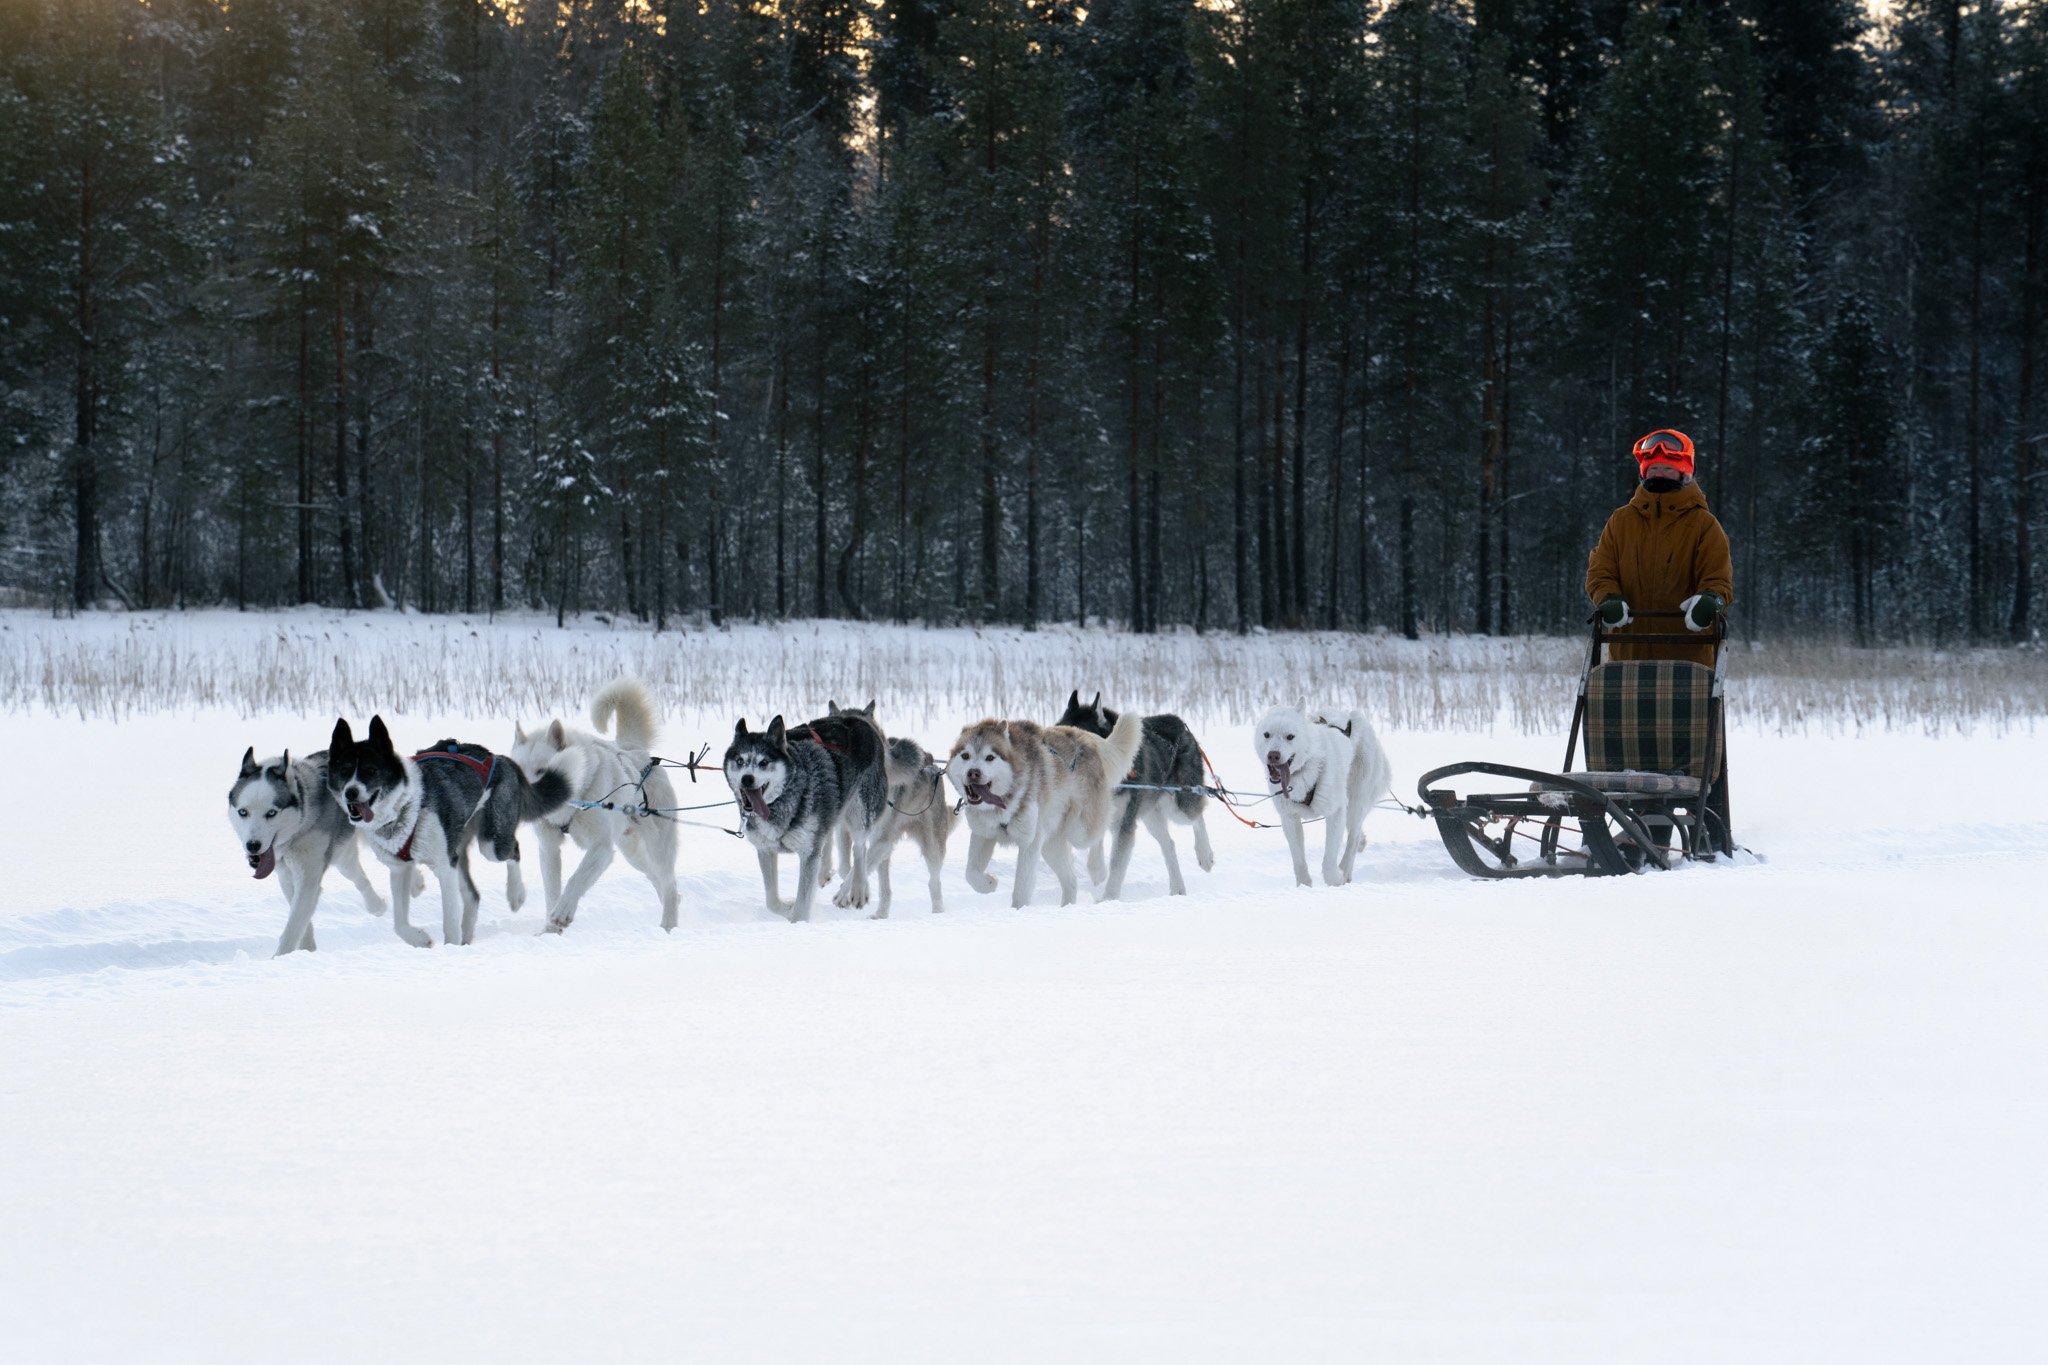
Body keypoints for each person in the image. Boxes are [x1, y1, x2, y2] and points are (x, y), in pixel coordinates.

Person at [1584, 427, 1735, 850]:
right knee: (1629, 739)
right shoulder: (1621, 521)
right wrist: (1607, 598)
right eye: (1655, 466)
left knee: (1687, 745)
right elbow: (1600, 571)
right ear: (1643, 468)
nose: (1662, 472)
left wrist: (1709, 601)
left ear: (1685, 471)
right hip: (1629, 652)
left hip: (1687, 657)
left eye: (1670, 466)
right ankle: (1638, 823)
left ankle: (1700, 825)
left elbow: (1719, 579)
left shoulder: (1705, 526)